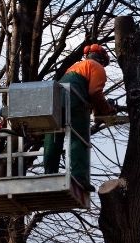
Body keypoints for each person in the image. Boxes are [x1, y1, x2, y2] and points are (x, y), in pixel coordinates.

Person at [43, 44, 116, 191]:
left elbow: (90, 93)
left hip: (56, 100)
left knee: (54, 135)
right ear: (102, 59)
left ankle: (49, 173)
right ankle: (79, 177)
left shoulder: (76, 66)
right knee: (79, 137)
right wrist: (107, 109)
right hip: (74, 100)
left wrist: (98, 112)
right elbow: (95, 92)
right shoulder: (97, 67)